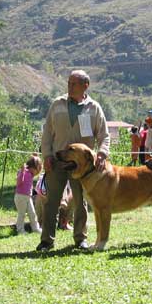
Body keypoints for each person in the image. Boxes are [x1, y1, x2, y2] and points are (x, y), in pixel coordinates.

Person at [36, 70, 110, 251]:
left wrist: (101, 153)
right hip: (57, 161)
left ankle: (80, 239)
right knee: (51, 202)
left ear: (86, 85)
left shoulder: (94, 107)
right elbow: (46, 133)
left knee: (80, 202)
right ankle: (46, 240)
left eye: (74, 84)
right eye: (69, 83)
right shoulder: (57, 104)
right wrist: (46, 155)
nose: (69, 87)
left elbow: (104, 135)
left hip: (82, 167)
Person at [14, 155, 43, 234]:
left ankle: (35, 228)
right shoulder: (23, 172)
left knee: (32, 213)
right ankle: (20, 230)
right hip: (20, 197)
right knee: (22, 214)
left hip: (27, 197)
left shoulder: (30, 174)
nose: (36, 173)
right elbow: (18, 183)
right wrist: (22, 172)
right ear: (33, 167)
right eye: (37, 169)